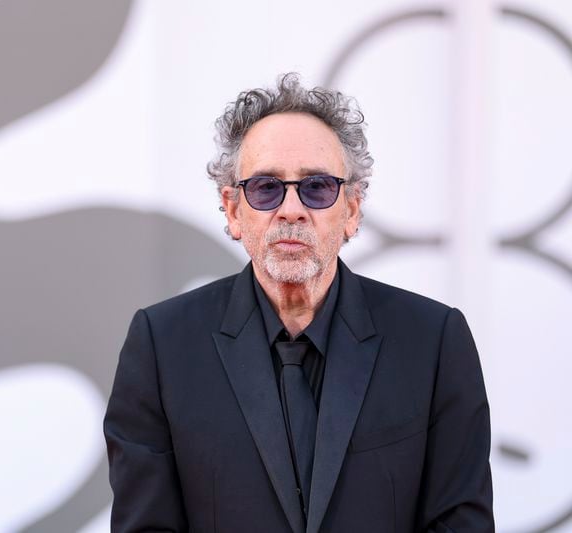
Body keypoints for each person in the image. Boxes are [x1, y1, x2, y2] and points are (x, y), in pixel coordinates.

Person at [103, 73, 494, 533]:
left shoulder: (433, 342)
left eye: (317, 187)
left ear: (351, 210)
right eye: (266, 187)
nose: (291, 209)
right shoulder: (161, 347)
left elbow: (460, 523)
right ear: (233, 210)